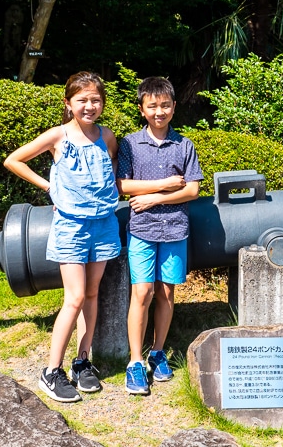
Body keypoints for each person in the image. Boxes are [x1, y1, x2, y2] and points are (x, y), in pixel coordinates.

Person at [4, 71, 120, 403]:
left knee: (93, 293)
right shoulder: (57, 136)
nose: (90, 106)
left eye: (96, 100)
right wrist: (49, 187)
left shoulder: (107, 136)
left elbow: (109, 170)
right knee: (75, 297)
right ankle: (52, 371)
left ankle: (83, 362)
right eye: (82, 100)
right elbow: (14, 160)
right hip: (71, 226)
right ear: (68, 103)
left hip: (104, 224)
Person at [117, 76, 203, 395]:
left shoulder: (184, 145)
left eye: (165, 105)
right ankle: (135, 361)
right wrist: (166, 184)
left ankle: (157, 352)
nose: (159, 111)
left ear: (174, 107)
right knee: (142, 294)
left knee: (166, 293)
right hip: (141, 230)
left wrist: (156, 197)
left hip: (175, 229)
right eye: (152, 106)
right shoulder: (129, 144)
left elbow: (192, 189)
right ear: (142, 109)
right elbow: (122, 186)